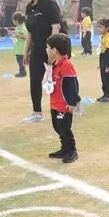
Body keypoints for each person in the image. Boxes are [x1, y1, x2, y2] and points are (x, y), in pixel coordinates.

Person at [20, 0, 63, 124]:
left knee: (60, 79)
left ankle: (73, 103)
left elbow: (55, 27)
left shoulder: (49, 4)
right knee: (35, 79)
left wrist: (52, 50)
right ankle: (37, 113)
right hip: (37, 48)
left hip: (54, 48)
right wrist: (26, 51)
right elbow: (30, 31)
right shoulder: (30, 7)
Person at [46, 33, 80, 163]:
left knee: (65, 129)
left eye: (48, 47)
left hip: (64, 105)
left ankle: (72, 151)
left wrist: (72, 103)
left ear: (54, 50)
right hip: (55, 103)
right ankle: (64, 149)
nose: (46, 50)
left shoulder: (66, 65)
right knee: (57, 127)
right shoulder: (55, 63)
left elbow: (72, 84)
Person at [96, 18, 109, 102]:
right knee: (103, 78)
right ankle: (105, 94)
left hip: (107, 59)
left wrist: (108, 66)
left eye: (101, 27)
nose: (98, 29)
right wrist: (100, 63)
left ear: (107, 28)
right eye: (98, 27)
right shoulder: (104, 36)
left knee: (108, 79)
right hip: (103, 58)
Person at [10, 13, 28, 77]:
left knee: (20, 61)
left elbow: (26, 36)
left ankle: (22, 72)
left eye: (14, 20)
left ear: (17, 21)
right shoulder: (18, 27)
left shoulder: (23, 27)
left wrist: (17, 35)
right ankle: (22, 71)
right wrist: (13, 34)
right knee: (19, 60)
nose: (13, 21)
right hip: (18, 47)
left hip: (21, 48)